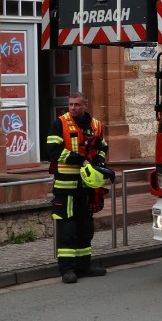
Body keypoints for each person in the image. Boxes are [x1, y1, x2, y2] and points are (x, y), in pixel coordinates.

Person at [41, 92, 112, 284]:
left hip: (86, 187)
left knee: (85, 228)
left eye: (77, 105)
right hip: (65, 186)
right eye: (71, 105)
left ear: (85, 106)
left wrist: (99, 158)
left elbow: (104, 146)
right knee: (67, 229)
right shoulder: (60, 123)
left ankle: (84, 266)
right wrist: (80, 160)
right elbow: (53, 151)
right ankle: (67, 270)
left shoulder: (96, 125)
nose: (72, 108)